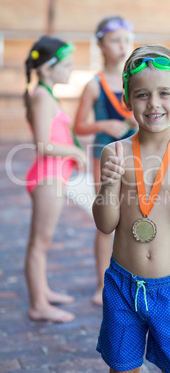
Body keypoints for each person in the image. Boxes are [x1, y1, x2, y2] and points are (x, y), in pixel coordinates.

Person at [93, 45, 170, 373]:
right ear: (127, 100)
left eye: (164, 93)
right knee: (123, 366)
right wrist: (107, 186)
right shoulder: (115, 153)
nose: (154, 103)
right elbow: (105, 225)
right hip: (122, 285)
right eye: (142, 94)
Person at [74, 16, 138, 305]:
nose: (122, 46)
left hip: (134, 156)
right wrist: (104, 126)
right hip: (103, 155)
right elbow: (78, 126)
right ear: (100, 44)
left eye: (127, 39)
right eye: (115, 40)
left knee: (134, 216)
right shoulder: (94, 85)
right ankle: (102, 284)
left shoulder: (135, 80)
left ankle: (134, 277)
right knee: (106, 221)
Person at [24, 36, 87, 323]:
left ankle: (43, 291)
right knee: (39, 243)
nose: (71, 70)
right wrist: (74, 149)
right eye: (67, 65)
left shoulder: (47, 95)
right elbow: (42, 144)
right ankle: (38, 304)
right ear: (48, 68)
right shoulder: (41, 97)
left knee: (44, 242)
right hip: (47, 178)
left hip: (54, 178)